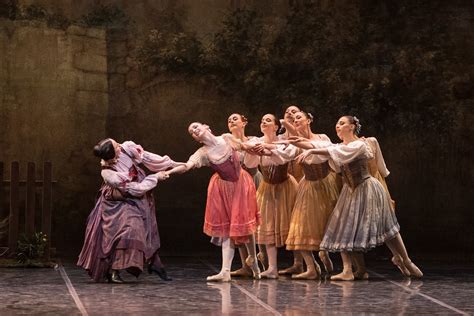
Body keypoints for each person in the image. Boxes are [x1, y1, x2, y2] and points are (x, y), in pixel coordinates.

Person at [295, 116, 423, 280]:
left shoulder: (360, 144)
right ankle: (358, 270)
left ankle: (406, 260)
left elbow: (331, 151)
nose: (338, 126)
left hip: (367, 188)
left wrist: (312, 150)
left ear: (353, 126)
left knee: (386, 226)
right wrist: (300, 143)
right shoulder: (339, 146)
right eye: (337, 123)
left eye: (342, 123)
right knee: (347, 228)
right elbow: (322, 147)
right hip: (350, 190)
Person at [166, 122, 261, 282]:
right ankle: (225, 271)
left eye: (195, 127)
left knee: (244, 223)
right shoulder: (203, 153)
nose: (194, 131)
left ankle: (254, 260)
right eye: (191, 132)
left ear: (207, 127)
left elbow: (244, 147)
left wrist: (261, 147)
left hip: (241, 184)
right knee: (227, 229)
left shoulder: (226, 138)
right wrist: (169, 171)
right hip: (222, 189)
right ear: (196, 139)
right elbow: (187, 165)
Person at [77, 139, 179, 283]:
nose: (120, 145)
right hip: (119, 200)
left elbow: (147, 157)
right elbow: (134, 189)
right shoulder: (108, 173)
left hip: (138, 195)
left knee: (146, 228)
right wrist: (155, 177)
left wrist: (170, 164)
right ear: (111, 155)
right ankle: (114, 270)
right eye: (116, 146)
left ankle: (154, 263)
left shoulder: (126, 148)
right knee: (128, 230)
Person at [280, 111, 341, 279]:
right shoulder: (294, 143)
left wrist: (311, 148)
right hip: (308, 186)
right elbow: (283, 154)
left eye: (299, 117)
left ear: (309, 120)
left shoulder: (322, 138)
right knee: (299, 226)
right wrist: (265, 149)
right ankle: (311, 267)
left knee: (327, 222)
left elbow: (331, 151)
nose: (296, 120)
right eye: (293, 119)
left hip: (325, 184)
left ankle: (325, 253)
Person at [244, 114, 299, 279]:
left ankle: (304, 264)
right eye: (262, 120)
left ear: (276, 126)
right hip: (267, 188)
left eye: (268, 120)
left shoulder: (283, 140)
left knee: (293, 225)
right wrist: (252, 150)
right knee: (267, 226)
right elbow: (250, 163)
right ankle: (272, 268)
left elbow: (286, 156)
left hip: (285, 187)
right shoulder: (256, 141)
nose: (264, 122)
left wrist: (268, 150)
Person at [227, 113, 264, 278]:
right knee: (238, 221)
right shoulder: (227, 141)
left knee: (256, 221)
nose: (231, 121)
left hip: (253, 181)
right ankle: (245, 265)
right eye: (229, 120)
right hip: (235, 185)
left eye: (235, 118)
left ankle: (264, 264)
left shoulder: (254, 139)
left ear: (244, 122)